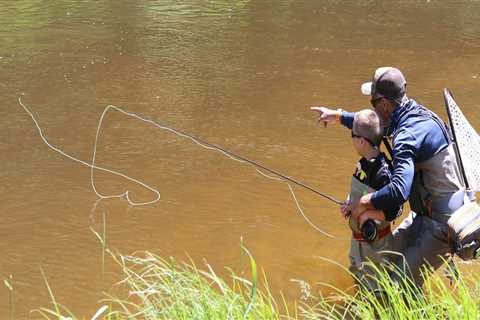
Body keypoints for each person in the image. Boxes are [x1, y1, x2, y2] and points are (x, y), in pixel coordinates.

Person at [311, 67, 465, 286]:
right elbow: (372, 125)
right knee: (387, 263)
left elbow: (398, 191)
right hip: (427, 212)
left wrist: (362, 204)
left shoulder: (406, 136)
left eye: (373, 103)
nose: (372, 108)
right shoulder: (414, 114)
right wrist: (339, 116)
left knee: (394, 284)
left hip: (442, 223)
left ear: (384, 103)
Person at [342, 109, 401, 291]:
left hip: (376, 246)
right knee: (358, 281)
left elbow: (395, 210)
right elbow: (356, 193)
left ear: (361, 141)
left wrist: (368, 214)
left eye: (352, 135)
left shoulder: (383, 173)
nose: (350, 139)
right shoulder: (361, 164)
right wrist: (348, 205)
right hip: (357, 242)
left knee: (378, 290)